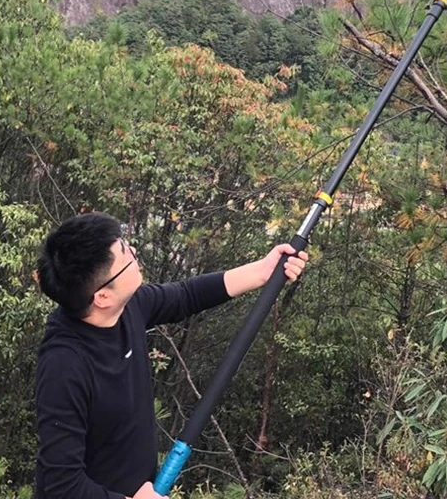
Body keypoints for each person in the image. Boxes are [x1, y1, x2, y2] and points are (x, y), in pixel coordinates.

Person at [34, 211, 308, 499]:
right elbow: (62, 485)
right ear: (102, 297)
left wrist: (262, 271)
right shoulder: (64, 365)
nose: (134, 251)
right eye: (125, 254)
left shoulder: (128, 308)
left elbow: (186, 295)